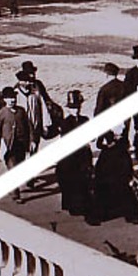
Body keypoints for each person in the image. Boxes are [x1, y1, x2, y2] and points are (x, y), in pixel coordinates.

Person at [52, 89, 93, 218]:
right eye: (73, 108)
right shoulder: (65, 123)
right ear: (69, 109)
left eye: (77, 107)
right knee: (71, 180)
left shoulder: (85, 120)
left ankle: (83, 204)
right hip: (70, 156)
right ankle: (72, 205)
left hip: (83, 154)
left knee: (83, 180)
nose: (76, 110)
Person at [0, 87, 33, 202]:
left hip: (21, 145)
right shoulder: (2, 113)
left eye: (13, 98)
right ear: (4, 99)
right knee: (12, 168)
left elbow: (28, 127)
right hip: (8, 146)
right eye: (9, 98)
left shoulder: (21, 111)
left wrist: (31, 141)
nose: (12, 100)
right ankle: (16, 194)